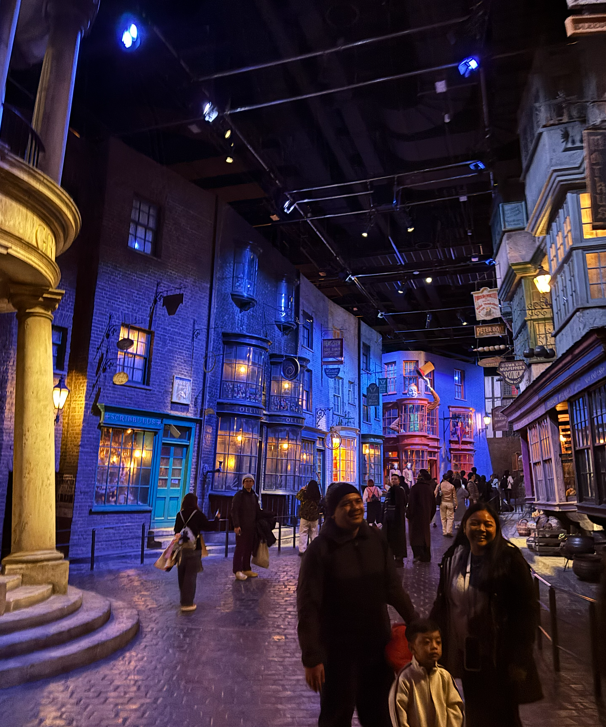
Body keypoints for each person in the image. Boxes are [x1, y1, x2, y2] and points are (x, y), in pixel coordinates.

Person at [297, 482, 417, 727]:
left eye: (357, 501)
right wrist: (312, 656)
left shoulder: (375, 539)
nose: (355, 507)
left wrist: (416, 625)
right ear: (333, 512)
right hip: (337, 652)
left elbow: (392, 588)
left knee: (380, 716)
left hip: (377, 647)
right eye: (346, 504)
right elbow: (309, 606)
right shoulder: (320, 550)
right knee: (336, 716)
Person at [431, 503, 542, 727]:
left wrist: (520, 656)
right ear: (464, 526)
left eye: (487, 524)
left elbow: (527, 610)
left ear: (496, 528)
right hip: (467, 653)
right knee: (475, 711)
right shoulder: (454, 557)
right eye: (475, 523)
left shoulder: (509, 559)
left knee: (504, 716)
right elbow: (444, 602)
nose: (481, 529)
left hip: (499, 656)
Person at [389, 619, 464, 727]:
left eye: (438, 642)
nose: (434, 646)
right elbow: (399, 715)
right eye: (426, 642)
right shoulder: (405, 679)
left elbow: (455, 708)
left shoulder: (445, 677)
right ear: (412, 648)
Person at [173, 493, 217, 612]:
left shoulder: (179, 515)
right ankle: (188, 603)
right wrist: (217, 518)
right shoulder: (198, 514)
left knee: (182, 574)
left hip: (181, 548)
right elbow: (209, 526)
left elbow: (176, 530)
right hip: (194, 548)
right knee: (191, 575)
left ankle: (183, 600)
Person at [231, 473, 262, 581]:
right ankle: (237, 570)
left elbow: (257, 511)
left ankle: (246, 568)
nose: (248, 483)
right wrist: (236, 525)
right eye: (246, 481)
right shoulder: (239, 495)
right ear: (243, 483)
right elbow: (234, 511)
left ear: (253, 483)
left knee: (248, 548)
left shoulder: (254, 496)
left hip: (251, 527)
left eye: (250, 481)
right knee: (240, 549)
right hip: (242, 527)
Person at [406, 469, 436, 563]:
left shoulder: (415, 488)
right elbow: (433, 505)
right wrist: (430, 516)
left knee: (415, 536)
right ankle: (426, 555)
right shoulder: (429, 488)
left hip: (415, 517)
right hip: (426, 515)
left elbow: (411, 503)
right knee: (425, 536)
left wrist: (409, 515)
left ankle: (418, 555)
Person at [384, 470, 408, 566]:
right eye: (392, 479)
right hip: (389, 519)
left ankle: (399, 558)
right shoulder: (390, 490)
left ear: (398, 481)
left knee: (398, 538)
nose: (393, 480)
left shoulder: (399, 490)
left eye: (395, 479)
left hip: (397, 519)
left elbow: (401, 504)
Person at [297, 479, 322, 555]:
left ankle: (302, 550)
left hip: (305, 516)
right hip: (314, 517)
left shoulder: (305, 494)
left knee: (303, 533)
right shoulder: (317, 496)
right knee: (314, 533)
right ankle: (315, 550)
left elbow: (298, 496)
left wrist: (302, 490)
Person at [436, 471, 457, 538]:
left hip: (442, 503)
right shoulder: (451, 486)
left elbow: (435, 493)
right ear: (448, 478)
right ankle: (449, 531)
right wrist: (456, 504)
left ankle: (444, 531)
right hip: (450, 503)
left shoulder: (439, 485)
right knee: (450, 517)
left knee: (443, 518)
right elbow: (454, 496)